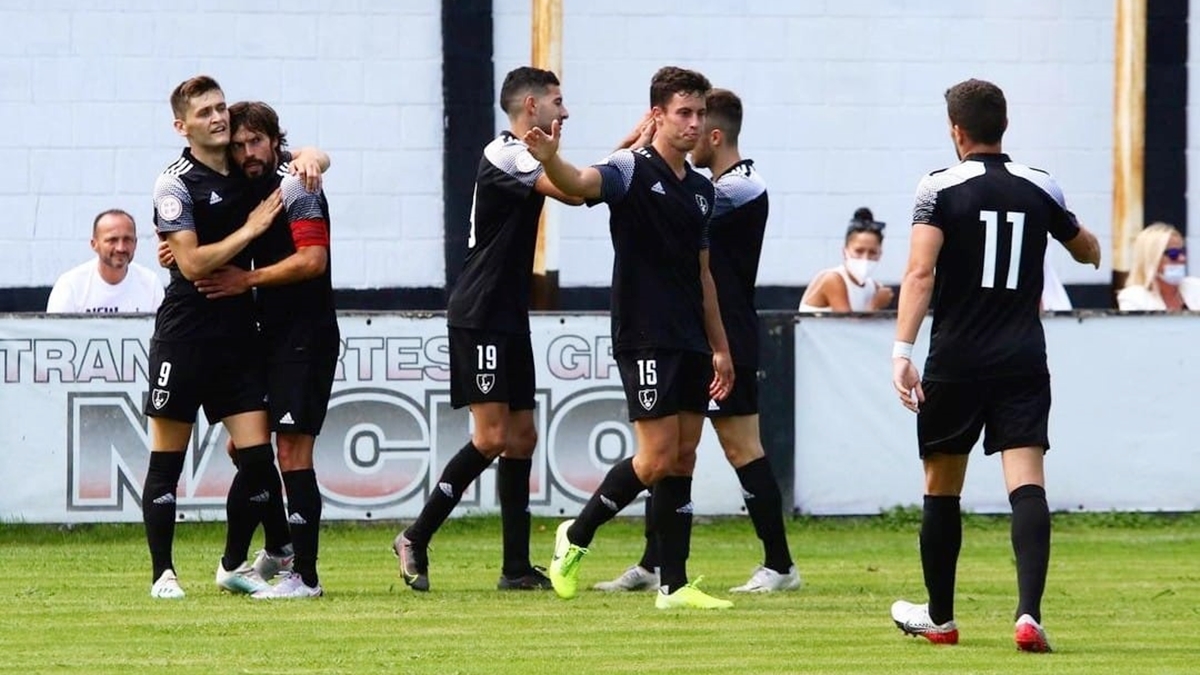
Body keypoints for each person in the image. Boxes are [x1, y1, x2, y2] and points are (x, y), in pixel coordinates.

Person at [888, 78, 1100, 651]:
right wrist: (1080, 240)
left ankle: (941, 618)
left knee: (941, 487)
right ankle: (1028, 615)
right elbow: (1088, 249)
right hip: (1022, 359)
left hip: (956, 358)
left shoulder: (938, 187)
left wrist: (902, 351)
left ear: (956, 130)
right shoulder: (1040, 185)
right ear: (1003, 126)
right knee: (1027, 482)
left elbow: (919, 274)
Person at [524, 66, 736, 610]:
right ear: (657, 115)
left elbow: (704, 274)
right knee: (656, 457)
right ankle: (576, 535)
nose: (693, 124)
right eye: (682, 113)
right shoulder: (630, 168)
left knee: (683, 458)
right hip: (644, 334)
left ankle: (674, 585)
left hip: (690, 337)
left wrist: (721, 346)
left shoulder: (703, 192)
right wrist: (550, 159)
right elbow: (579, 185)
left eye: (699, 114)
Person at [592, 89, 799, 595]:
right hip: (695, 334)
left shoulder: (739, 188)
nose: (690, 131)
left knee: (740, 446)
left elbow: (667, 205)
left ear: (714, 135)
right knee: (674, 452)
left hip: (728, 332)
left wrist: (634, 155)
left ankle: (780, 565)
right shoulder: (705, 186)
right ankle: (654, 563)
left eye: (699, 120)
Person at [392, 67, 581, 592]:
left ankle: (515, 568)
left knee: (522, 438)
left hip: (506, 313)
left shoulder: (529, 157)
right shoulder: (507, 154)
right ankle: (415, 536)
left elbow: (575, 181)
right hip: (481, 314)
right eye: (557, 103)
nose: (564, 113)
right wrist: (629, 163)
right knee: (493, 436)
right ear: (529, 106)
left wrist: (632, 153)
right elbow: (573, 191)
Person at [142, 75, 325, 600]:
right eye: (205, 113)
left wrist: (314, 154)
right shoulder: (173, 182)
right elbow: (195, 262)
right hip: (184, 335)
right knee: (167, 462)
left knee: (257, 459)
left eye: (221, 108)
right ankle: (163, 574)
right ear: (182, 126)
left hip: (240, 337)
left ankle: (238, 563)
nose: (218, 118)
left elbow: (302, 161)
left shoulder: (249, 170)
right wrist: (247, 230)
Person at [188, 101, 338, 599]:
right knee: (245, 448)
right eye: (238, 143)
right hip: (266, 334)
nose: (247, 151)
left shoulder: (295, 183)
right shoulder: (244, 183)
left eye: (256, 141)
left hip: (304, 334)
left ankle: (305, 578)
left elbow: (313, 260)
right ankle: (266, 551)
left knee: (293, 451)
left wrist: (246, 280)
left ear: (276, 142)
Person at [46, 209, 164, 314]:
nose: (120, 248)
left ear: (135, 243)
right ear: (94, 244)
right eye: (112, 240)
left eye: (127, 239)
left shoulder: (150, 284)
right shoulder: (70, 286)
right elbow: (55, 336)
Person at [798, 207, 893, 312]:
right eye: (859, 251)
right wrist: (875, 304)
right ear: (845, 252)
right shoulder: (833, 280)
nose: (865, 258)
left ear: (880, 254)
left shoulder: (873, 287)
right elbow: (848, 326)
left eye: (872, 252)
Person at [1116, 222, 1200, 311]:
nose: (1182, 258)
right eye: (1173, 254)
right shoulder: (1133, 298)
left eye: (1182, 252)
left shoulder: (1196, 287)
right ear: (1152, 259)